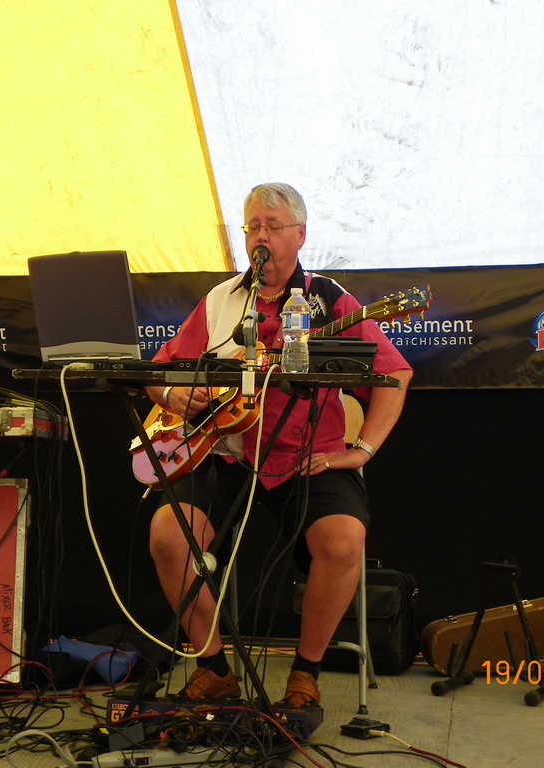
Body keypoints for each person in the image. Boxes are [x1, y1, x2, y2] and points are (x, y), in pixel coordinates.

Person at [145, 182, 412, 708]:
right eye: (253, 227)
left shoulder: (329, 301)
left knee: (343, 541)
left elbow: (395, 374)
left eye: (272, 226)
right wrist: (173, 395)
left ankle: (306, 673)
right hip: (224, 455)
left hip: (307, 458)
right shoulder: (222, 300)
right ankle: (214, 668)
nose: (260, 236)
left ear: (300, 235)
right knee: (168, 536)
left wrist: (361, 450)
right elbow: (158, 369)